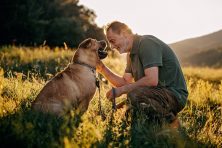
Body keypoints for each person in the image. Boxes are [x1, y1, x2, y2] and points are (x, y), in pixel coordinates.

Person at [96, 21, 188, 127]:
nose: (111, 47)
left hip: (174, 94)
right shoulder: (130, 54)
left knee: (133, 96)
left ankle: (168, 120)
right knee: (118, 111)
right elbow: (125, 82)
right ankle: (150, 116)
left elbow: (151, 80)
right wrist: (101, 68)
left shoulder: (147, 43)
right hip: (155, 93)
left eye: (113, 41)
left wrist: (121, 90)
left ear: (124, 33)